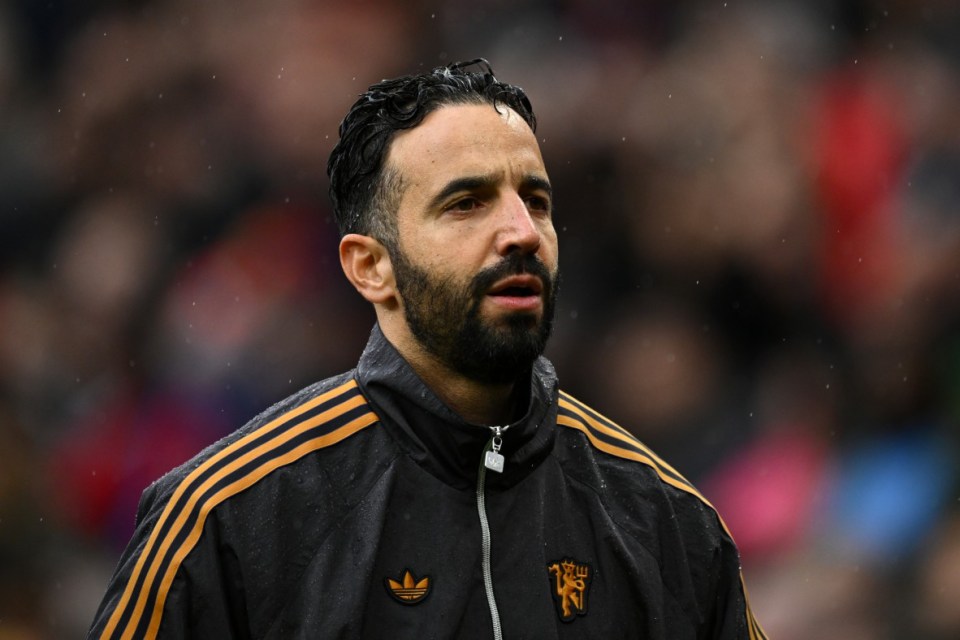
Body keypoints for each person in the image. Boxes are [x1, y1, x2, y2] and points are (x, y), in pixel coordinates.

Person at [88, 59, 766, 640]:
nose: (521, 232)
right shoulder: (226, 519)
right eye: (467, 202)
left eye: (534, 199)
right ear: (370, 268)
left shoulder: (669, 524)